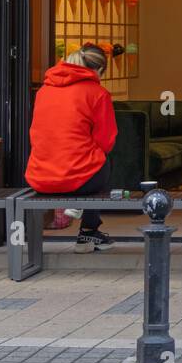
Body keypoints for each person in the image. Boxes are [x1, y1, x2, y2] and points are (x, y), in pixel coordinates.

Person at [25, 43, 118, 252]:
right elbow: (106, 141)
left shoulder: (43, 91)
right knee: (104, 161)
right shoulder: (97, 93)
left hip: (40, 178)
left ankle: (79, 206)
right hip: (79, 179)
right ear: (98, 70)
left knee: (90, 161)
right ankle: (88, 232)